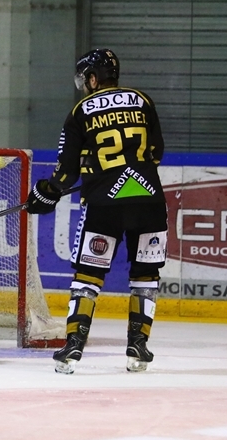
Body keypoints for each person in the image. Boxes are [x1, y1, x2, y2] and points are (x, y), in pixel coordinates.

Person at [26, 48, 168, 374]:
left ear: (93, 78)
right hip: (149, 202)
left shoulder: (80, 111)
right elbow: (156, 153)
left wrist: (46, 192)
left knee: (88, 276)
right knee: (145, 276)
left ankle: (74, 346)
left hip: (104, 205)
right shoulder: (143, 100)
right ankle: (138, 345)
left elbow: (66, 173)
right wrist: (130, 177)